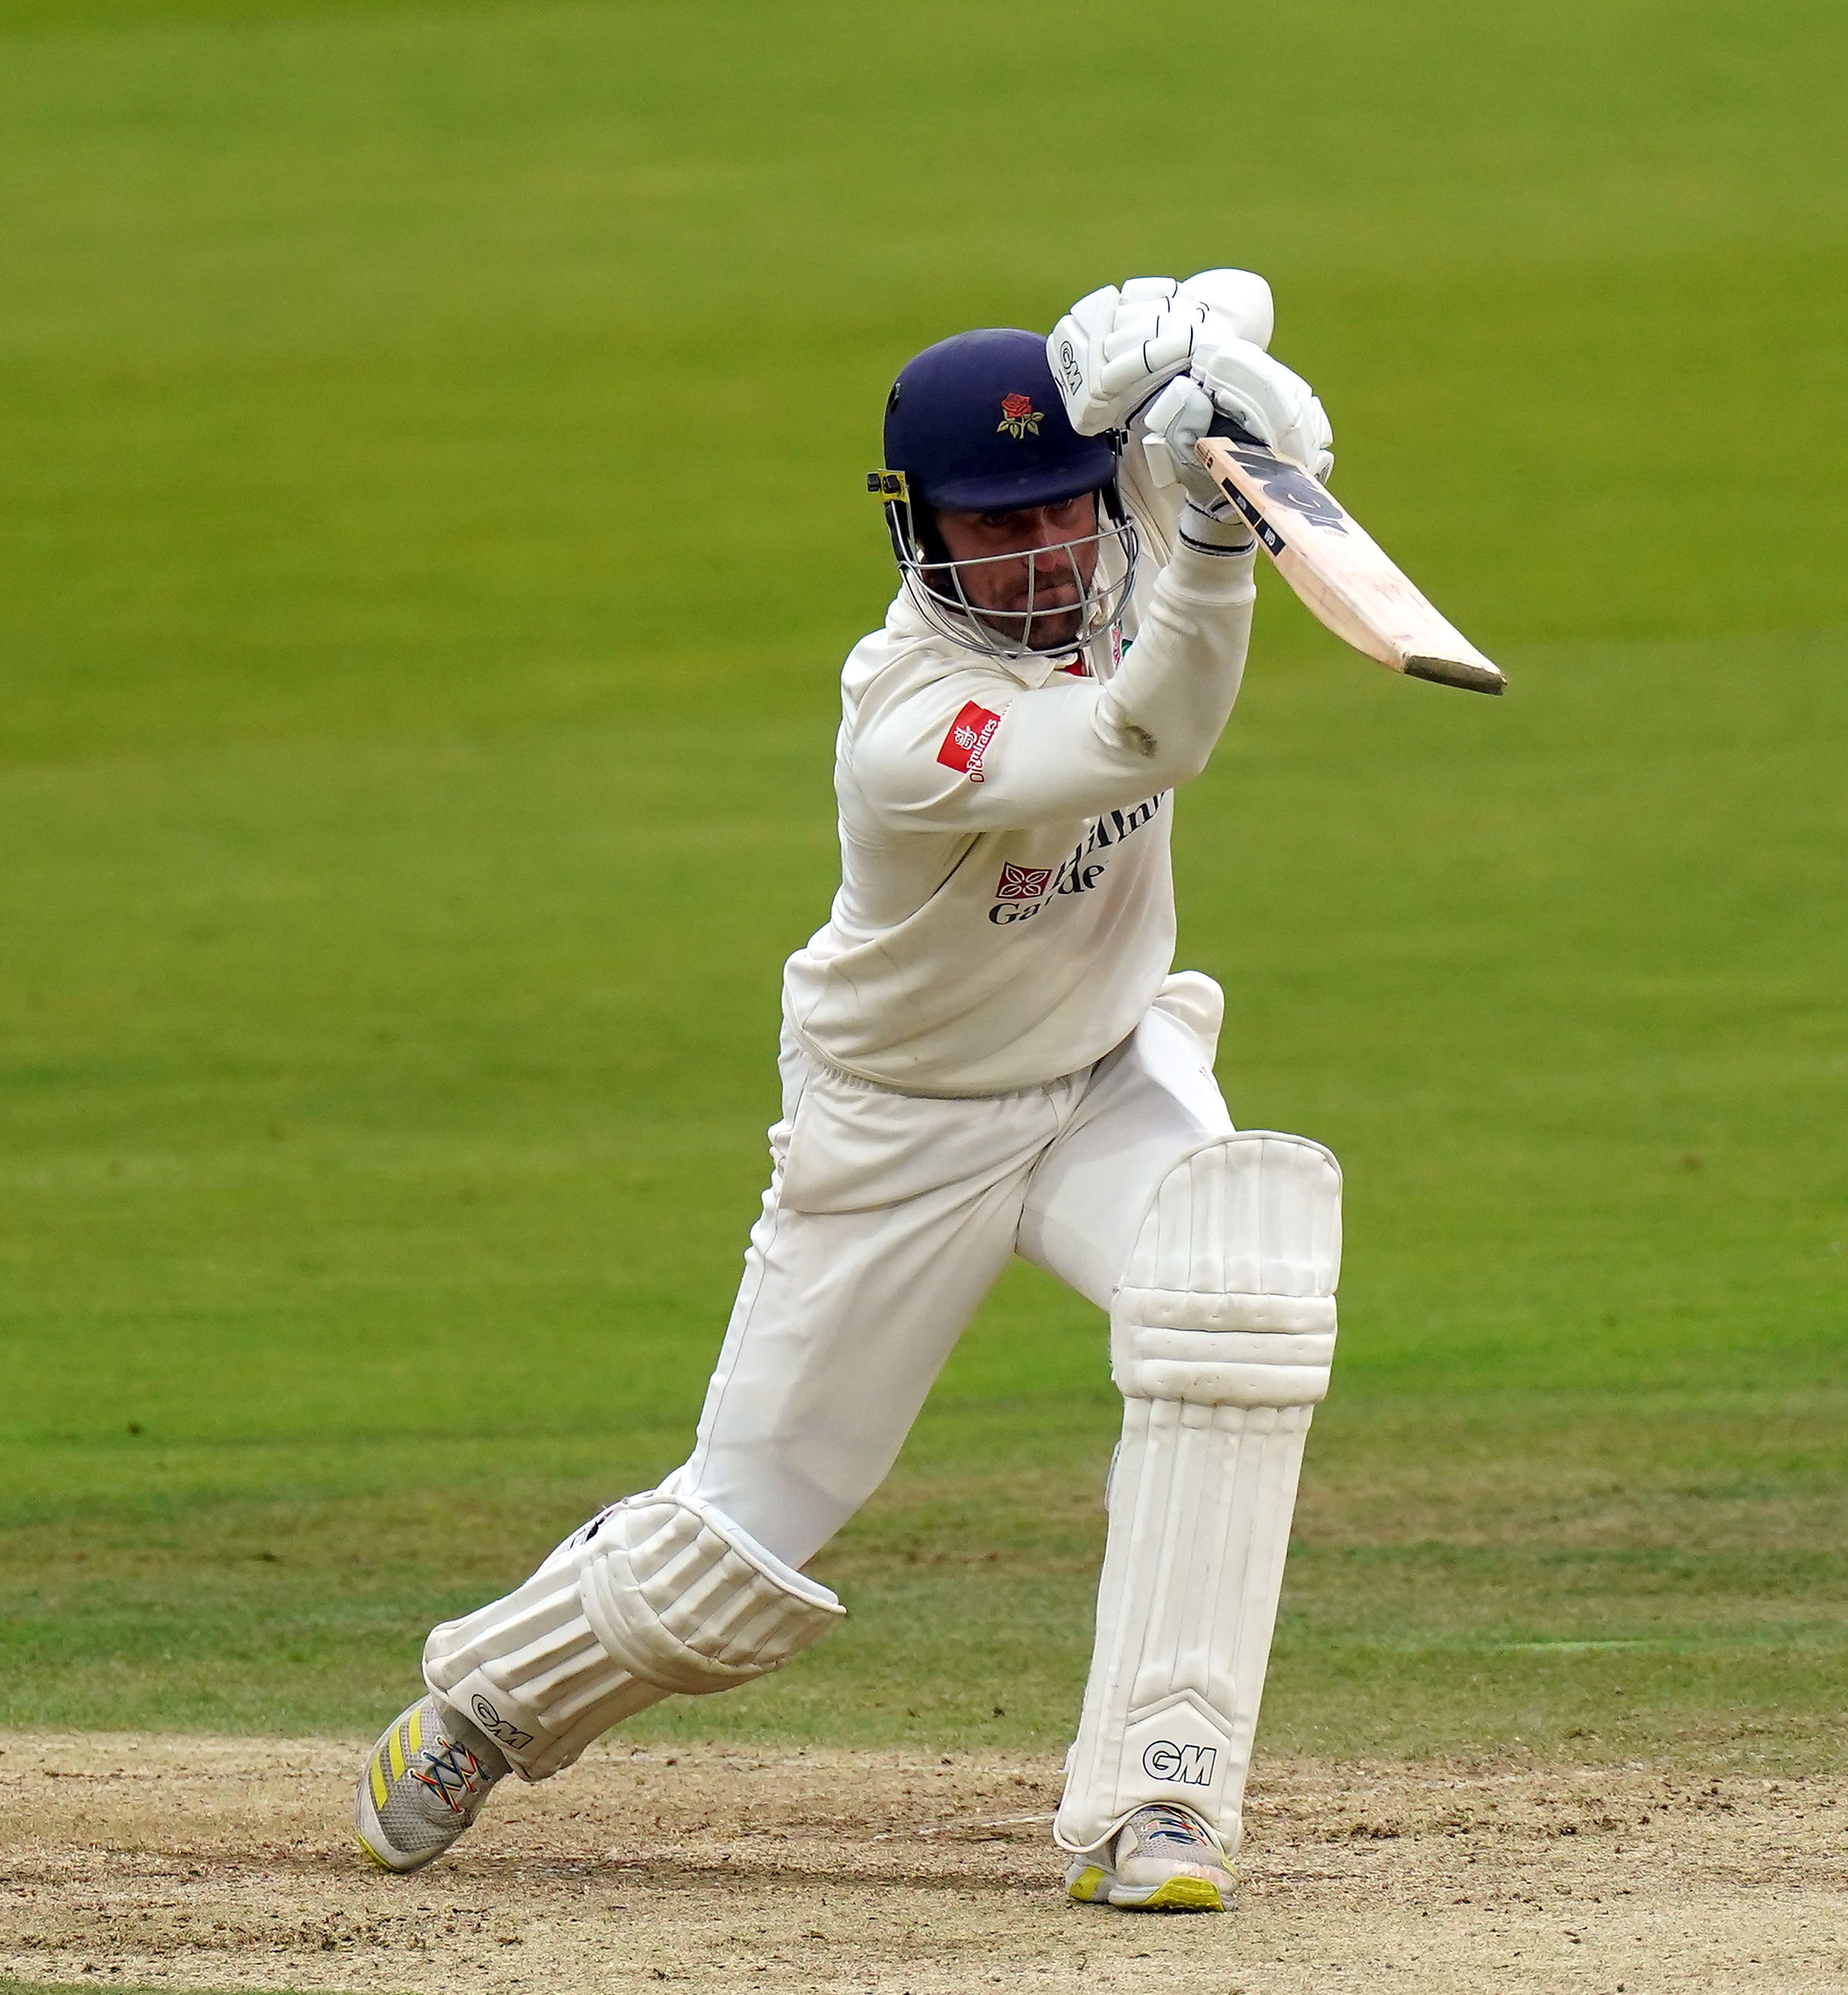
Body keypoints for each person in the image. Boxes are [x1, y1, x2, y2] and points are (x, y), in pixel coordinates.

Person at [354, 273, 1348, 1913]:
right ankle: (488, 1692)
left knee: (1235, 1285)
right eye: (988, 528)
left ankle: (1163, 1795)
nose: (1035, 557)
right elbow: (1145, 738)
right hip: (900, 1124)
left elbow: (1280, 451)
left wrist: (1223, 395)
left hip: (1105, 1070)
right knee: (722, 1573)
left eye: (1060, 514)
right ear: (920, 533)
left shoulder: (1126, 559)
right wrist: (1216, 533)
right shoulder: (909, 720)